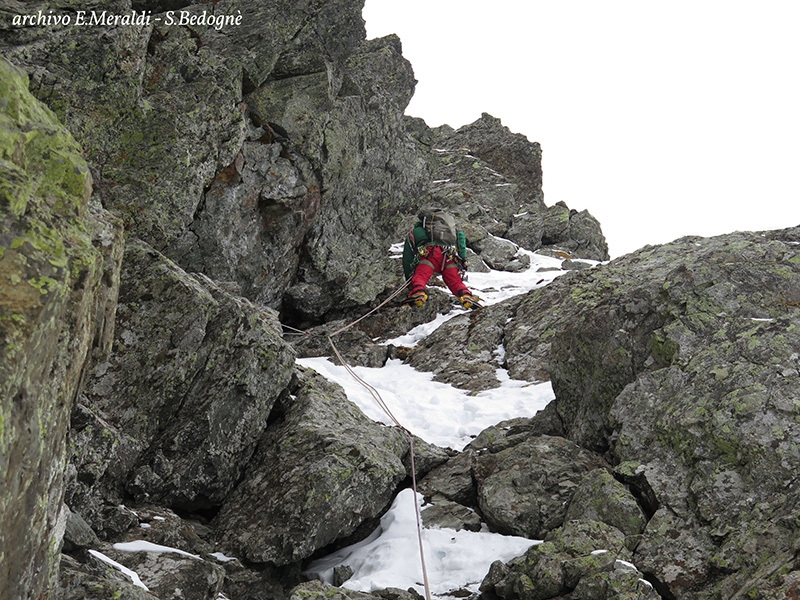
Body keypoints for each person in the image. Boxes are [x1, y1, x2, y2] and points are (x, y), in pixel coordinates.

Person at [402, 207, 482, 309]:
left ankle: (418, 293)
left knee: (421, 276)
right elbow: (460, 236)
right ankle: (465, 295)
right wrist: (463, 258)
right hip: (449, 255)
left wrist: (409, 280)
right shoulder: (449, 229)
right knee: (455, 281)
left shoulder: (416, 231)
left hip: (430, 255)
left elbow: (407, 258)